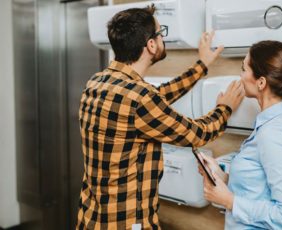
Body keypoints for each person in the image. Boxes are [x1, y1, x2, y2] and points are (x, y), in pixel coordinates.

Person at [76, 5, 245, 230]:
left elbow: (157, 96)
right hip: (127, 223)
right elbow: (197, 134)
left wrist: (201, 66)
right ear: (151, 44)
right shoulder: (140, 97)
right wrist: (224, 109)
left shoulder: (97, 82)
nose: (162, 37)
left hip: (91, 218)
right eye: (160, 32)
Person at [198, 40, 282, 229]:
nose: (240, 75)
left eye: (243, 68)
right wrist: (222, 178)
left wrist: (230, 201)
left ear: (261, 82)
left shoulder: (274, 133)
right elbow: (260, 189)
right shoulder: (270, 124)